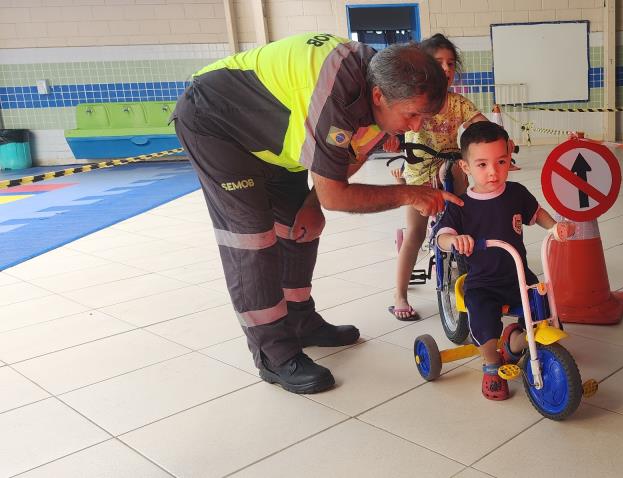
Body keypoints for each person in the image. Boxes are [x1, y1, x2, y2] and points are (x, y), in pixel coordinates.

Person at [173, 33, 460, 395]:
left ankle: (300, 322)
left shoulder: (382, 83)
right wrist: (407, 193)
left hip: (273, 140)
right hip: (216, 125)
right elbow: (336, 195)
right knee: (253, 239)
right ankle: (273, 355)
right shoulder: (338, 95)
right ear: (379, 97)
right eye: (412, 115)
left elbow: (349, 160)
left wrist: (312, 204)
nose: (416, 127)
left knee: (300, 226)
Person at [434, 121, 573, 401]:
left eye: (501, 162)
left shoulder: (516, 193)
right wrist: (455, 241)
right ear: (466, 167)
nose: (493, 171)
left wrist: (554, 227)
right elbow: (442, 236)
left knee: (545, 317)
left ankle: (514, 344)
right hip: (482, 282)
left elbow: (537, 213)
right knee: (484, 327)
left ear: (510, 158)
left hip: (518, 277)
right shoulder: (460, 205)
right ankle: (492, 364)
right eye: (482, 164)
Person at [389, 34, 488, 321]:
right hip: (418, 171)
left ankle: (459, 226)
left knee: (460, 171)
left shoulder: (458, 104)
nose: (446, 68)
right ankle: (399, 294)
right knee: (415, 233)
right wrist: (392, 139)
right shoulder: (411, 100)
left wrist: (496, 141)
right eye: (438, 62)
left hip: (450, 165)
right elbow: (392, 126)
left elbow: (479, 125)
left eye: (451, 63)